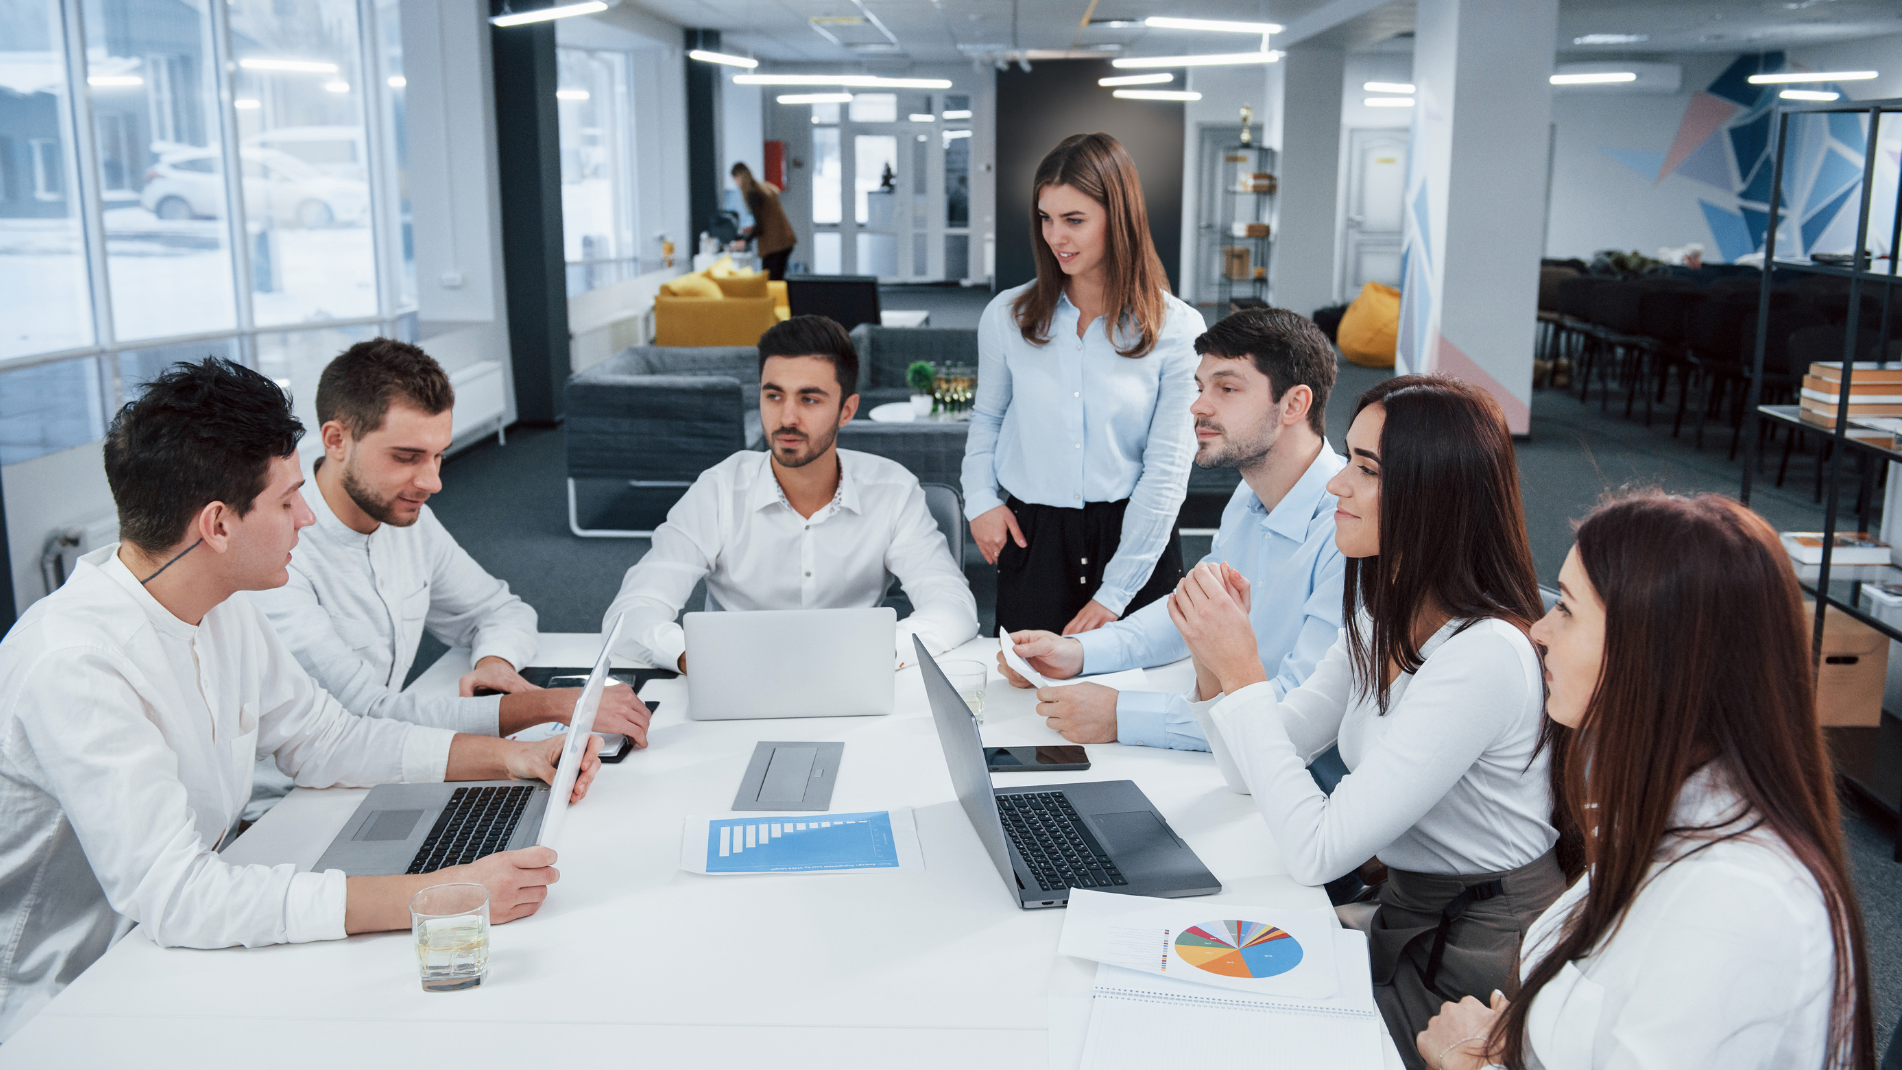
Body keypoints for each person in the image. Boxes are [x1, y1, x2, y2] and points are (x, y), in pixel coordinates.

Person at [0, 358, 602, 1042]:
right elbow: (179, 897)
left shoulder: (218, 602)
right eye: (287, 501)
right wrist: (444, 897)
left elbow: (329, 740)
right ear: (218, 526)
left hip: (172, 951)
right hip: (65, 1000)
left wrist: (510, 759)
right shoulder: (75, 662)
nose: (308, 516)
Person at [1173, 375, 1569, 1068]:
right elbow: (1245, 770)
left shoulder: (1482, 656)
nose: (1336, 486)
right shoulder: (1383, 618)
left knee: (1245, 1033)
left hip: (1481, 958)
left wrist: (1243, 676)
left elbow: (1320, 851)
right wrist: (1215, 665)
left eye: (1365, 469)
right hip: (1411, 918)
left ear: (1433, 497)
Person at [1416, 492, 1876, 1070]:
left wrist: (1467, 1064)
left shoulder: (1739, 902)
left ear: (1650, 653)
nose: (1538, 630)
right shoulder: (1661, 809)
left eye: (1568, 610)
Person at [249, 340, 648, 816]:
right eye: (407, 457)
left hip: (372, 771)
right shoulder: (276, 555)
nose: (433, 481)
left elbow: (499, 610)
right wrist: (556, 705)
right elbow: (363, 713)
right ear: (336, 440)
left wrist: (495, 662)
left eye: (439, 456)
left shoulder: (403, 515)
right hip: (288, 807)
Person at [996, 307, 1346, 750]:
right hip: (1240, 759)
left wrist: (1122, 716)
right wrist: (1080, 653)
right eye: (1201, 388)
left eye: (1228, 387)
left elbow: (1298, 712)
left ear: (1294, 404)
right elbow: (1189, 613)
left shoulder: (1350, 527)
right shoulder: (1248, 500)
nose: (1199, 405)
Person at [603, 315, 978, 671]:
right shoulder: (719, 490)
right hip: (734, 683)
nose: (787, 419)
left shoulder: (892, 490)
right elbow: (630, 613)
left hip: (856, 682)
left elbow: (953, 606)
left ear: (846, 410)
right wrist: (692, 656)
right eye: (774, 396)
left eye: (809, 399)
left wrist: (880, 651)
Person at [962, 132, 1203, 637]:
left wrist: (1116, 593)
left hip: (1136, 535)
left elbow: (1166, 473)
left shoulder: (1177, 328)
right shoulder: (1007, 315)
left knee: (1130, 699)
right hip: (1034, 535)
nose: (1056, 237)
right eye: (1046, 219)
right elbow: (987, 418)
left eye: (1074, 220)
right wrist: (980, 499)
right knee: (1029, 692)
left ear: (1120, 219)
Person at [732, 162, 796, 280]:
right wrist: (752, 229)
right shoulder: (764, 188)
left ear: (740, 176)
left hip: (774, 245)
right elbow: (767, 218)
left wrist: (745, 241)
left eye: (735, 179)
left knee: (771, 283)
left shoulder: (753, 194)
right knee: (777, 280)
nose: (736, 184)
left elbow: (760, 226)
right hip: (784, 240)